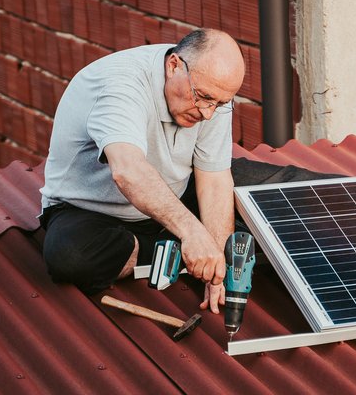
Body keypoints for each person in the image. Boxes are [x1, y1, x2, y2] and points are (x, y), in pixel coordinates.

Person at [40, 29, 246, 314]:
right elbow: (128, 170)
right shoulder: (120, 85)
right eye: (204, 98)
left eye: (220, 104)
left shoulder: (210, 89)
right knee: (70, 257)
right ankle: (169, 246)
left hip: (174, 195)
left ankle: (176, 247)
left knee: (271, 198)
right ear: (174, 66)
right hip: (92, 212)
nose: (208, 113)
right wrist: (193, 233)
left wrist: (218, 266)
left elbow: (213, 179)